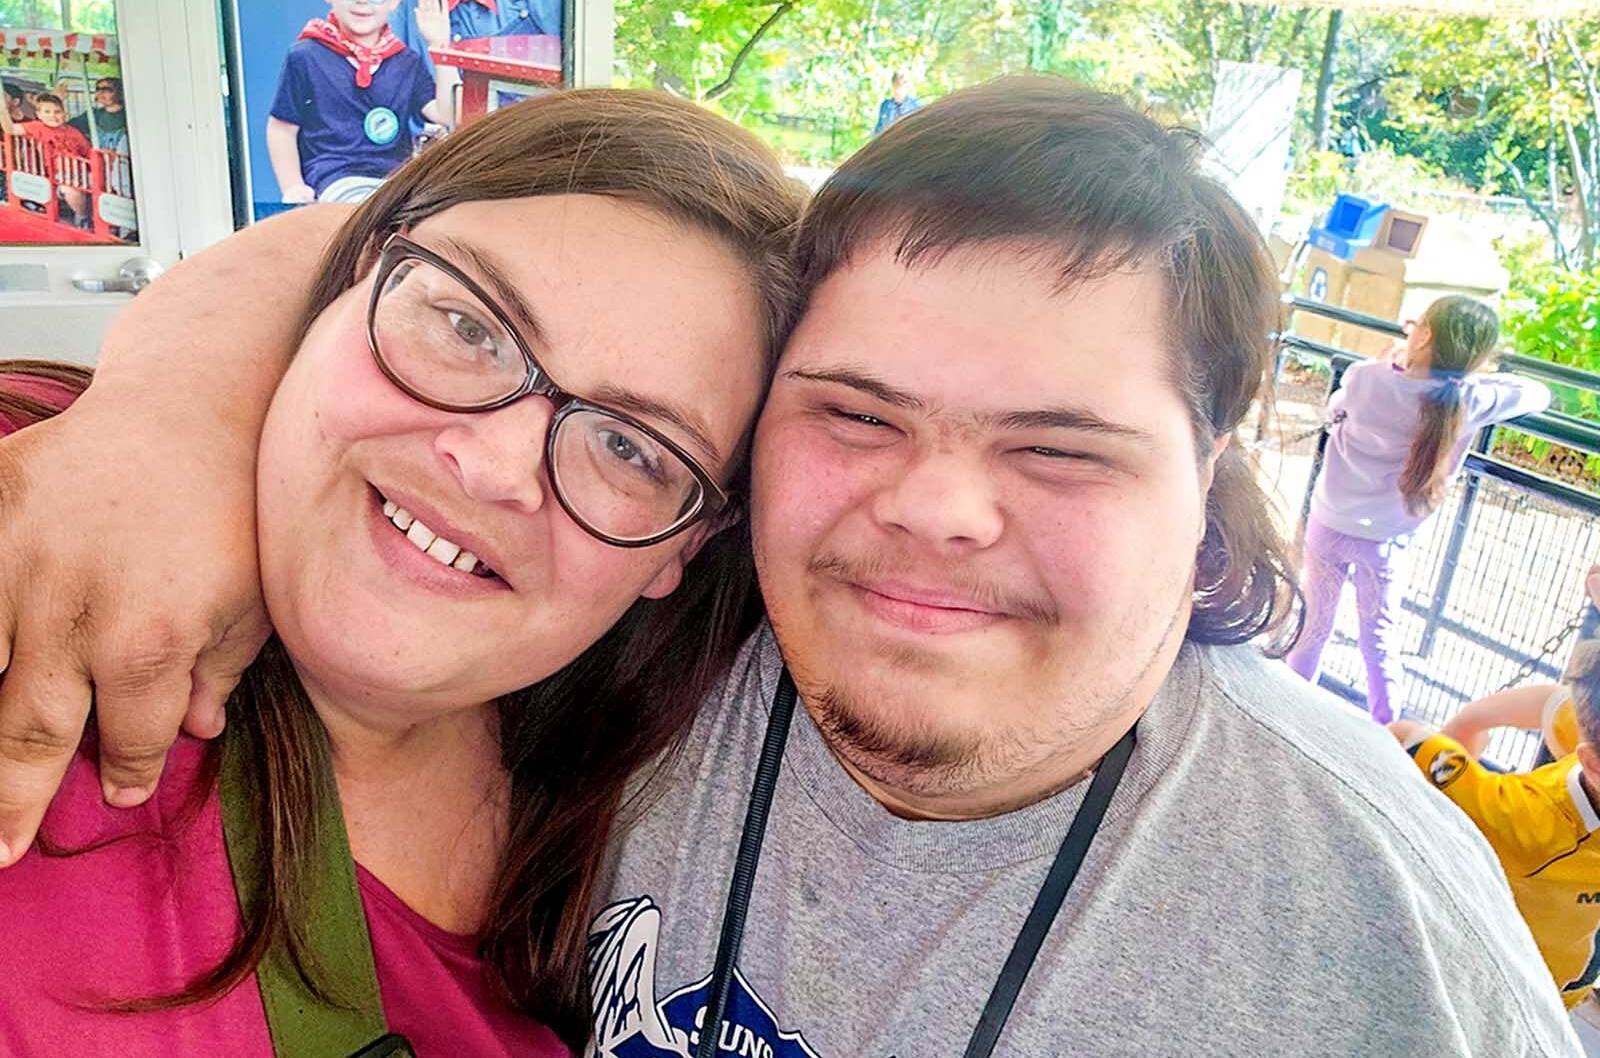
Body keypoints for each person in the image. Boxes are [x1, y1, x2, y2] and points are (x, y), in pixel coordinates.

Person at [0, 79, 1581, 1054]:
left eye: (1061, 447)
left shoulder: (1380, 935)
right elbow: (419, 255)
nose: (935, 510)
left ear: (1213, 474)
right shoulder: (667, 651)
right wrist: (172, 404)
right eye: (855, 412)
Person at [0, 87, 803, 1056]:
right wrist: (175, 410)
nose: (497, 465)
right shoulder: (50, 507)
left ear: (681, 548)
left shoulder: (647, 830)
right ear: (360, 276)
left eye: (630, 447)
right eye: (468, 326)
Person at [1285, 295, 1553, 723]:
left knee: (1316, 623)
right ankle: (1389, 732)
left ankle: (1291, 713)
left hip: (1329, 523)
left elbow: (1335, 409)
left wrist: (1392, 365)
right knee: (1379, 638)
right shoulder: (1467, 401)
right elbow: (1539, 393)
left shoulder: (1364, 378)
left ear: (1424, 334)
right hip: (1386, 541)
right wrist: (1472, 380)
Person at [1390, 563, 1600, 1011]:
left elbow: (1404, 736)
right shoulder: (1527, 817)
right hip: (1531, 990)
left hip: (1518, 988)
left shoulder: (1522, 815)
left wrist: (1469, 723)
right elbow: (1560, 706)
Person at [268, 0, 457, 205]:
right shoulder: (305, 57)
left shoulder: (407, 62)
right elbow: (281, 129)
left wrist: (441, 47)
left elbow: (446, 114)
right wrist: (293, 186)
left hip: (395, 181)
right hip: (334, 180)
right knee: (369, 216)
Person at [0, 92, 92, 227]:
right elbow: (10, 129)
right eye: (47, 112)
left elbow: (87, 152)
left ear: (65, 113)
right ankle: (82, 217)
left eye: (57, 112)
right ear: (39, 115)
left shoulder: (74, 132)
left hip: (80, 171)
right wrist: (2, 111)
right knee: (71, 190)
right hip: (58, 175)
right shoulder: (37, 127)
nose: (53, 116)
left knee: (101, 184)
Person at [68, 75, 128, 149]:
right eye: (98, 89)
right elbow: (68, 127)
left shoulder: (128, 114)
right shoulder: (93, 114)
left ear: (118, 92)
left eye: (106, 89)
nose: (100, 92)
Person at [872, 69, 920, 134]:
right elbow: (879, 130)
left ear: (907, 86)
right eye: (896, 84)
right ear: (893, 85)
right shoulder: (885, 106)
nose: (898, 88)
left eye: (902, 84)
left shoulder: (916, 106)